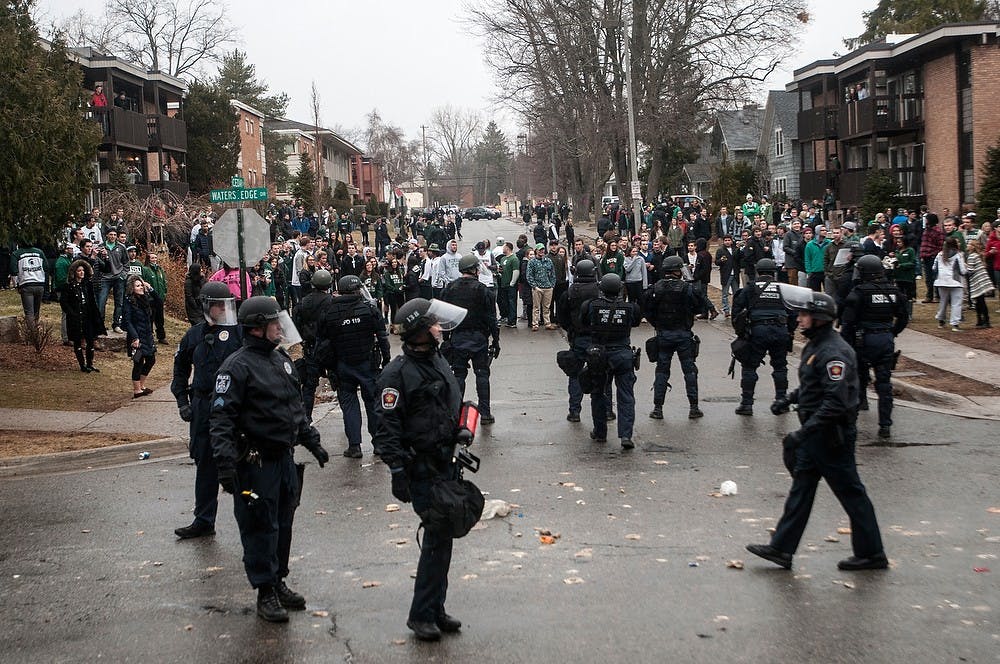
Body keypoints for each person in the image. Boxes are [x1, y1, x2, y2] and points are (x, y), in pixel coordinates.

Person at [747, 287, 887, 572]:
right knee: (802, 488)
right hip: (817, 434)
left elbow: (836, 401)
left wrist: (804, 432)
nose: (799, 318)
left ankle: (872, 553)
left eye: (804, 314)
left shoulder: (834, 352)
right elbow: (813, 385)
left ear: (820, 318)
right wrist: (789, 399)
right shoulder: (817, 345)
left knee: (851, 493)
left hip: (830, 435)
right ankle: (781, 549)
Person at [210, 296, 329, 622]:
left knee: (284, 524)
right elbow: (221, 420)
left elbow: (294, 409)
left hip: (284, 460)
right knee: (260, 526)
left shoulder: (281, 361)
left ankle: (278, 580)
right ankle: (264, 590)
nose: (280, 328)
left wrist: (312, 442)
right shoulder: (236, 367)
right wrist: (224, 464)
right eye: (275, 323)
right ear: (258, 328)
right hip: (255, 464)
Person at [374, 297, 469, 641]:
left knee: (444, 538)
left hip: (445, 461)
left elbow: (447, 402)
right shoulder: (396, 374)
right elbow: (386, 427)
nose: (439, 327)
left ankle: (435, 608)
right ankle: (421, 615)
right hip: (421, 467)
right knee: (436, 538)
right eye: (432, 323)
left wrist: (459, 426)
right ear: (419, 332)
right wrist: (398, 470)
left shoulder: (436, 358)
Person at [170, 282, 243, 539]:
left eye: (226, 306)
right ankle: (203, 519)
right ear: (207, 307)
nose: (223, 310)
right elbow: (180, 371)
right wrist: (182, 402)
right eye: (218, 306)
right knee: (205, 462)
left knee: (243, 462)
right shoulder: (194, 335)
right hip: (202, 405)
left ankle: (254, 518)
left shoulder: (239, 333)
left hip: (235, 407)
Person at [315, 275, 391, 458]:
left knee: (349, 405)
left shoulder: (330, 312)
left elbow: (322, 341)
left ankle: (355, 446)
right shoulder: (369, 309)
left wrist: (325, 366)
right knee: (373, 403)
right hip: (366, 363)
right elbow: (382, 336)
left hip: (342, 364)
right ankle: (378, 444)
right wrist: (386, 359)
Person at [840, 255, 908, 438]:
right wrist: (893, 332)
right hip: (885, 339)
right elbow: (904, 316)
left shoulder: (859, 292)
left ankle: (853, 420)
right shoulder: (893, 292)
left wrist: (844, 345)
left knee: (857, 379)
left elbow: (847, 322)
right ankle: (885, 425)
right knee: (884, 383)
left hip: (863, 339)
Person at [642, 255, 711, 421]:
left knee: (661, 372)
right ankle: (694, 407)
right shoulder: (687, 288)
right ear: (676, 271)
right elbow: (699, 307)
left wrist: (657, 324)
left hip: (664, 334)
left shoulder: (656, 288)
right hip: (683, 334)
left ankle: (658, 408)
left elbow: (646, 309)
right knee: (689, 371)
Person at [580, 274, 642, 448]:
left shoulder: (591, 305)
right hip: (623, 353)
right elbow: (635, 323)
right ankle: (626, 435)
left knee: (598, 393)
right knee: (626, 396)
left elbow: (584, 323)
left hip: (599, 354)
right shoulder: (631, 307)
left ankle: (600, 432)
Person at [440, 254, 500, 425]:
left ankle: (456, 414)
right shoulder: (483, 290)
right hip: (479, 338)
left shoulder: (450, 289)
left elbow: (444, 317)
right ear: (475, 270)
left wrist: (447, 339)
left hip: (458, 337)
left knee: (458, 375)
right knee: (482, 374)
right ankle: (485, 414)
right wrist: (495, 340)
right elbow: (491, 318)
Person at [731, 259, 793, 416]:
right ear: (774, 272)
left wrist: (741, 332)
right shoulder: (783, 288)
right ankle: (782, 401)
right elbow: (794, 311)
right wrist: (789, 330)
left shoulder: (751, 288)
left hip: (757, 330)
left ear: (758, 271)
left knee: (750, 366)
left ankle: (746, 404)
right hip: (780, 329)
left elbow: (736, 309)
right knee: (780, 366)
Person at [557, 259, 602, 422]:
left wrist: (571, 330)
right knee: (600, 375)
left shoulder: (570, 292)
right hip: (597, 338)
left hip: (578, 337)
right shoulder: (600, 290)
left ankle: (574, 411)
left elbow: (561, 317)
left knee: (575, 374)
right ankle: (606, 411)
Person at [292, 269, 334, 422]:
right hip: (329, 348)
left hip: (310, 348)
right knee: (340, 383)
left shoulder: (303, 302)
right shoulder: (331, 301)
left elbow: (295, 324)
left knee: (309, 386)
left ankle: (306, 418)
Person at [61, 259, 106, 372]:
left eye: (83, 270)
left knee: (90, 340)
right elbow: (64, 302)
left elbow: (92, 301)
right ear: (74, 272)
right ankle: (82, 365)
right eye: (79, 270)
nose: (81, 273)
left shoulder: (87, 285)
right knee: (78, 341)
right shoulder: (69, 286)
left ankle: (90, 363)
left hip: (87, 316)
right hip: (76, 317)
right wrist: (72, 313)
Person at [123, 275, 160, 398]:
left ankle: (141, 385)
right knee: (138, 362)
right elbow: (127, 322)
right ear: (132, 288)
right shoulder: (128, 301)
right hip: (136, 336)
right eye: (137, 286)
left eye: (141, 285)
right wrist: (134, 337)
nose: (140, 288)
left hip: (147, 335)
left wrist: (150, 288)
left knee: (151, 360)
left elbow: (159, 302)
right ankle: (137, 390)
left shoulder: (145, 299)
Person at [934, 237, 967, 331]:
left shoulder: (940, 254)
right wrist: (967, 270)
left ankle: (941, 320)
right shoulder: (958, 255)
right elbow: (962, 270)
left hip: (941, 281)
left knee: (943, 301)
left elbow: (934, 268)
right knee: (956, 303)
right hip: (955, 282)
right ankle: (955, 324)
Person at [11, 241, 46, 326]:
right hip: (39, 283)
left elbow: (13, 271)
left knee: (29, 312)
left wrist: (16, 285)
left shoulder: (16, 254)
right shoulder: (39, 252)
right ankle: (36, 330)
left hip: (26, 284)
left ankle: (32, 334)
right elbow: (46, 267)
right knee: (36, 311)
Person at [526, 243, 557, 331]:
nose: (542, 251)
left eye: (543, 250)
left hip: (548, 287)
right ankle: (535, 324)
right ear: (536, 251)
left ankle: (547, 323)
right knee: (536, 307)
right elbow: (529, 275)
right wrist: (534, 286)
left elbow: (553, 274)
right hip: (537, 288)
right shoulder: (532, 262)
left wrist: (552, 285)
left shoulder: (548, 261)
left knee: (546, 307)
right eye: (540, 250)